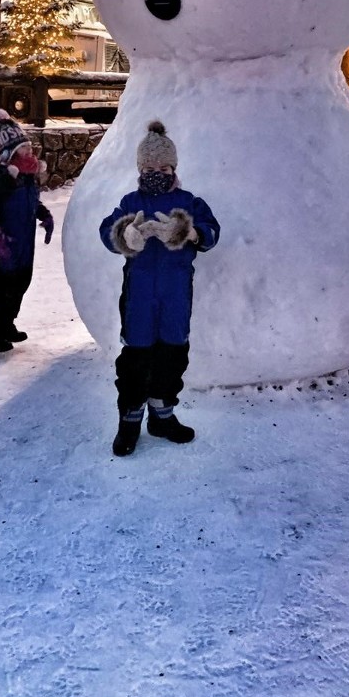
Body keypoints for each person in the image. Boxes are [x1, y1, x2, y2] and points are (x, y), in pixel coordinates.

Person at [100, 120, 220, 457]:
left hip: (176, 298)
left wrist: (189, 232)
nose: (157, 171)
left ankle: (162, 417)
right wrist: (125, 234)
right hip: (138, 298)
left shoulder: (189, 201)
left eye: (164, 166)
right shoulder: (130, 201)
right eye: (150, 166)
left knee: (172, 358)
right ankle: (129, 423)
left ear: (174, 168)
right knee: (135, 363)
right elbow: (107, 230)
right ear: (140, 168)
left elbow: (211, 232)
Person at [0, 109, 54, 353]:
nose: (29, 150)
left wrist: (44, 214)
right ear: (10, 153)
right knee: (2, 286)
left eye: (29, 145)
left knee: (20, 284)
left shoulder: (28, 176)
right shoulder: (1, 177)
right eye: (23, 147)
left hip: (24, 242)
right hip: (6, 242)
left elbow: (31, 202)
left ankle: (6, 324)